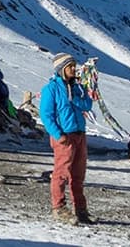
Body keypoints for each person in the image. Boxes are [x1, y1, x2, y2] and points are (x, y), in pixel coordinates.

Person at [39, 52, 95, 225]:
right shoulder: (51, 89)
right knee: (61, 173)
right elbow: (46, 115)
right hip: (64, 136)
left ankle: (80, 209)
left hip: (79, 134)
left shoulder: (77, 87)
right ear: (61, 69)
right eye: (70, 66)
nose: (74, 69)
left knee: (78, 174)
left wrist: (81, 94)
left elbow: (87, 105)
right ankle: (59, 207)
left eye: (74, 66)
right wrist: (58, 134)